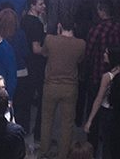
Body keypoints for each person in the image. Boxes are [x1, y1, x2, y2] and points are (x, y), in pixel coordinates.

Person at [39, 19, 85, 159]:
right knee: (67, 123)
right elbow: (80, 60)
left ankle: (44, 151)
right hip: (70, 87)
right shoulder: (81, 44)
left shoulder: (50, 39)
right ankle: (63, 154)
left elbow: (44, 53)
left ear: (59, 26)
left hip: (51, 85)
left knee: (47, 120)